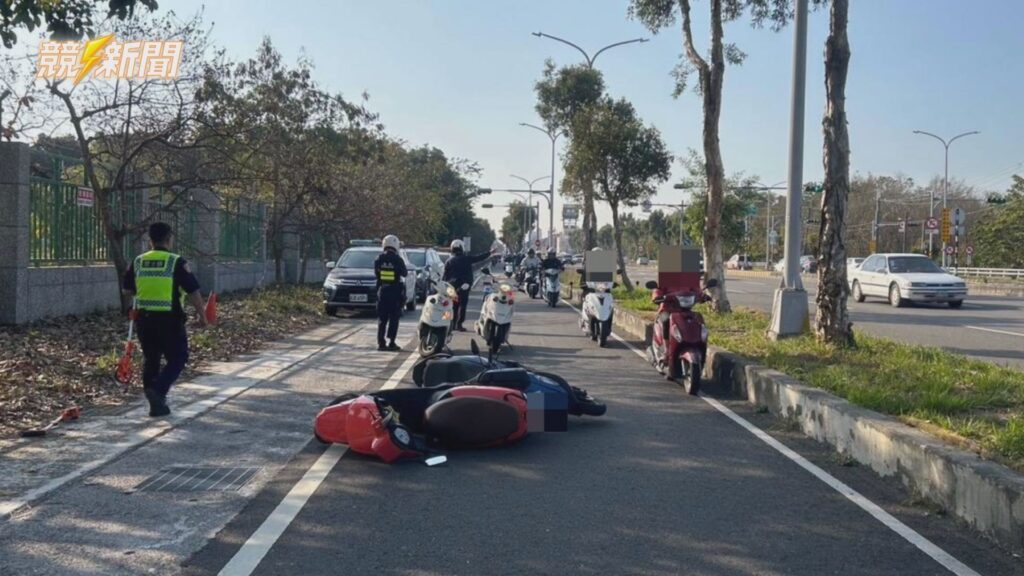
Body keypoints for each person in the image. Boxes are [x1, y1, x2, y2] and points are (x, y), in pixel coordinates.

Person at [122, 222, 207, 417]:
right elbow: (193, 291)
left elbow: (127, 290)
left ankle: (156, 404)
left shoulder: (138, 261)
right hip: (169, 320)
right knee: (178, 357)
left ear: (150, 240)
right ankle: (158, 391)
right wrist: (202, 316)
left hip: (144, 319)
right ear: (169, 239)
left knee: (151, 359)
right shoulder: (176, 262)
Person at [443, 239, 497, 331]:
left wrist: (443, 287)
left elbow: (444, 277)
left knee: (451, 306)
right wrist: (490, 253)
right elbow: (478, 257)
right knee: (462, 305)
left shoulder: (449, 261)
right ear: (462, 248)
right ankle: (459, 324)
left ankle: (449, 324)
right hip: (464, 286)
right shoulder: (466, 258)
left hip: (452, 287)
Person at [374, 234, 408, 351]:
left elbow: (377, 275)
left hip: (382, 292)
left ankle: (381, 343)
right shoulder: (398, 259)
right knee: (394, 318)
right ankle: (392, 342)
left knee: (382, 319)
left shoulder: (378, 259)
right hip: (395, 293)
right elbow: (404, 273)